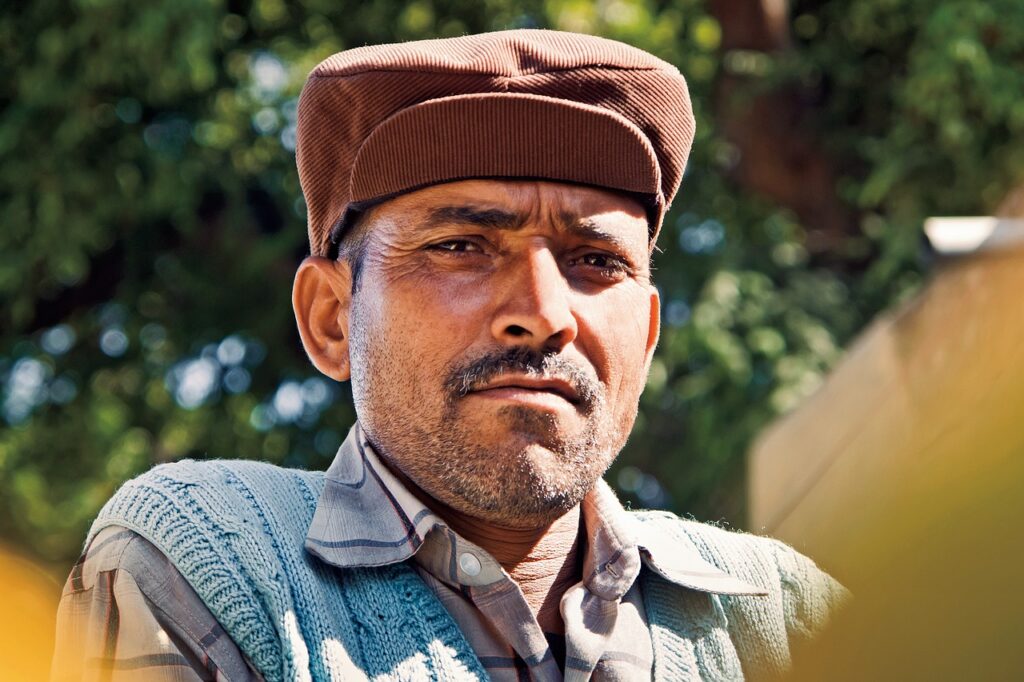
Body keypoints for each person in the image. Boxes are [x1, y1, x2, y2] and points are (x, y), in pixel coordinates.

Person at [51, 30, 847, 681]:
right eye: (462, 246)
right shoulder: (208, 560)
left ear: (644, 336)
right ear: (331, 319)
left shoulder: (791, 618)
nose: (543, 315)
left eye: (596, 261)